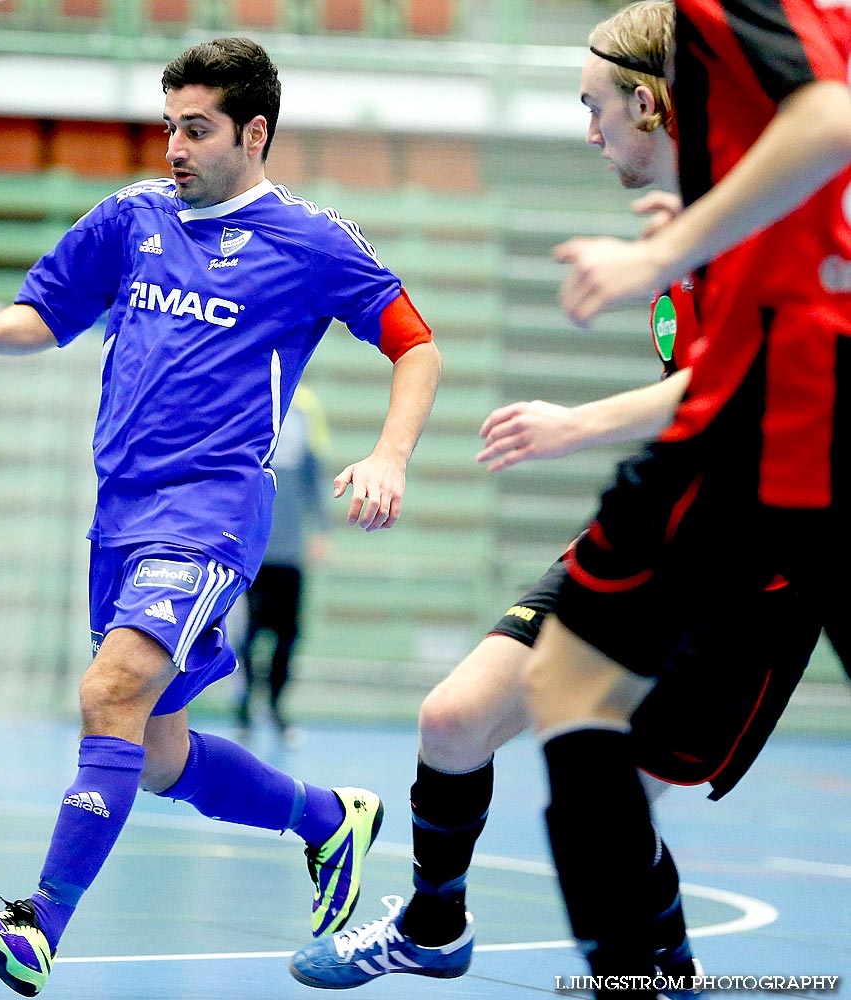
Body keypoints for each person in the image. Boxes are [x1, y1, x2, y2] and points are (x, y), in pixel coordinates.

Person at [288, 1, 825, 991]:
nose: (586, 132)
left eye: (593, 108)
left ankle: (652, 973)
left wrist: (575, 420)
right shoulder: (694, 213)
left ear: (651, 104)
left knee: (612, 794)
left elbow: (753, 384)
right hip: (672, 519)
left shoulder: (772, 199)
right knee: (452, 720)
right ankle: (430, 925)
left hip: (760, 566)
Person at [0, 37, 442, 997]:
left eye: (195, 129)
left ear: (254, 132)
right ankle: (328, 819)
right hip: (118, 515)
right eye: (168, 127)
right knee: (155, 755)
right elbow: (49, 312)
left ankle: (37, 924)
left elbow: (416, 347)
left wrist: (388, 455)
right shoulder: (131, 219)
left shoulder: (313, 242)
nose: (174, 148)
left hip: (209, 512)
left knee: (108, 694)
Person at [525, 0, 851, 993]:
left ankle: (630, 976)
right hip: (780, 384)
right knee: (563, 690)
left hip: (786, 396)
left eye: (596, 107)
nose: (590, 129)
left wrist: (659, 255)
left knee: (567, 688)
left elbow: (825, 122)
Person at [236, 383, 332, 746]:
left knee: (288, 631)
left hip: (290, 546)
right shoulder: (251, 391)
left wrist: (320, 529)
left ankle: (276, 708)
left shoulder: (307, 407)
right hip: (248, 544)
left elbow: (312, 473)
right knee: (249, 630)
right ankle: (244, 706)